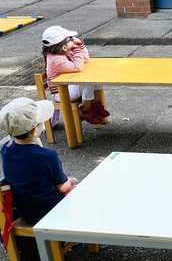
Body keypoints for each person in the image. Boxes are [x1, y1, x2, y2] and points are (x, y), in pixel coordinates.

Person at [0, 98, 77, 226]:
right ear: (35, 129)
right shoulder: (47, 156)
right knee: (76, 188)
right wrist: (70, 180)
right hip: (50, 212)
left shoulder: (5, 150)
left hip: (26, 212)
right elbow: (64, 187)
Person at [42, 25, 108, 126]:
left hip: (69, 86)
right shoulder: (56, 60)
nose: (73, 40)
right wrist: (76, 48)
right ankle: (85, 111)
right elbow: (78, 67)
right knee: (90, 82)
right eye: (70, 39)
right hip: (62, 93)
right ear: (63, 45)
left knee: (96, 81)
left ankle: (94, 107)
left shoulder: (63, 52)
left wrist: (81, 46)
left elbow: (85, 59)